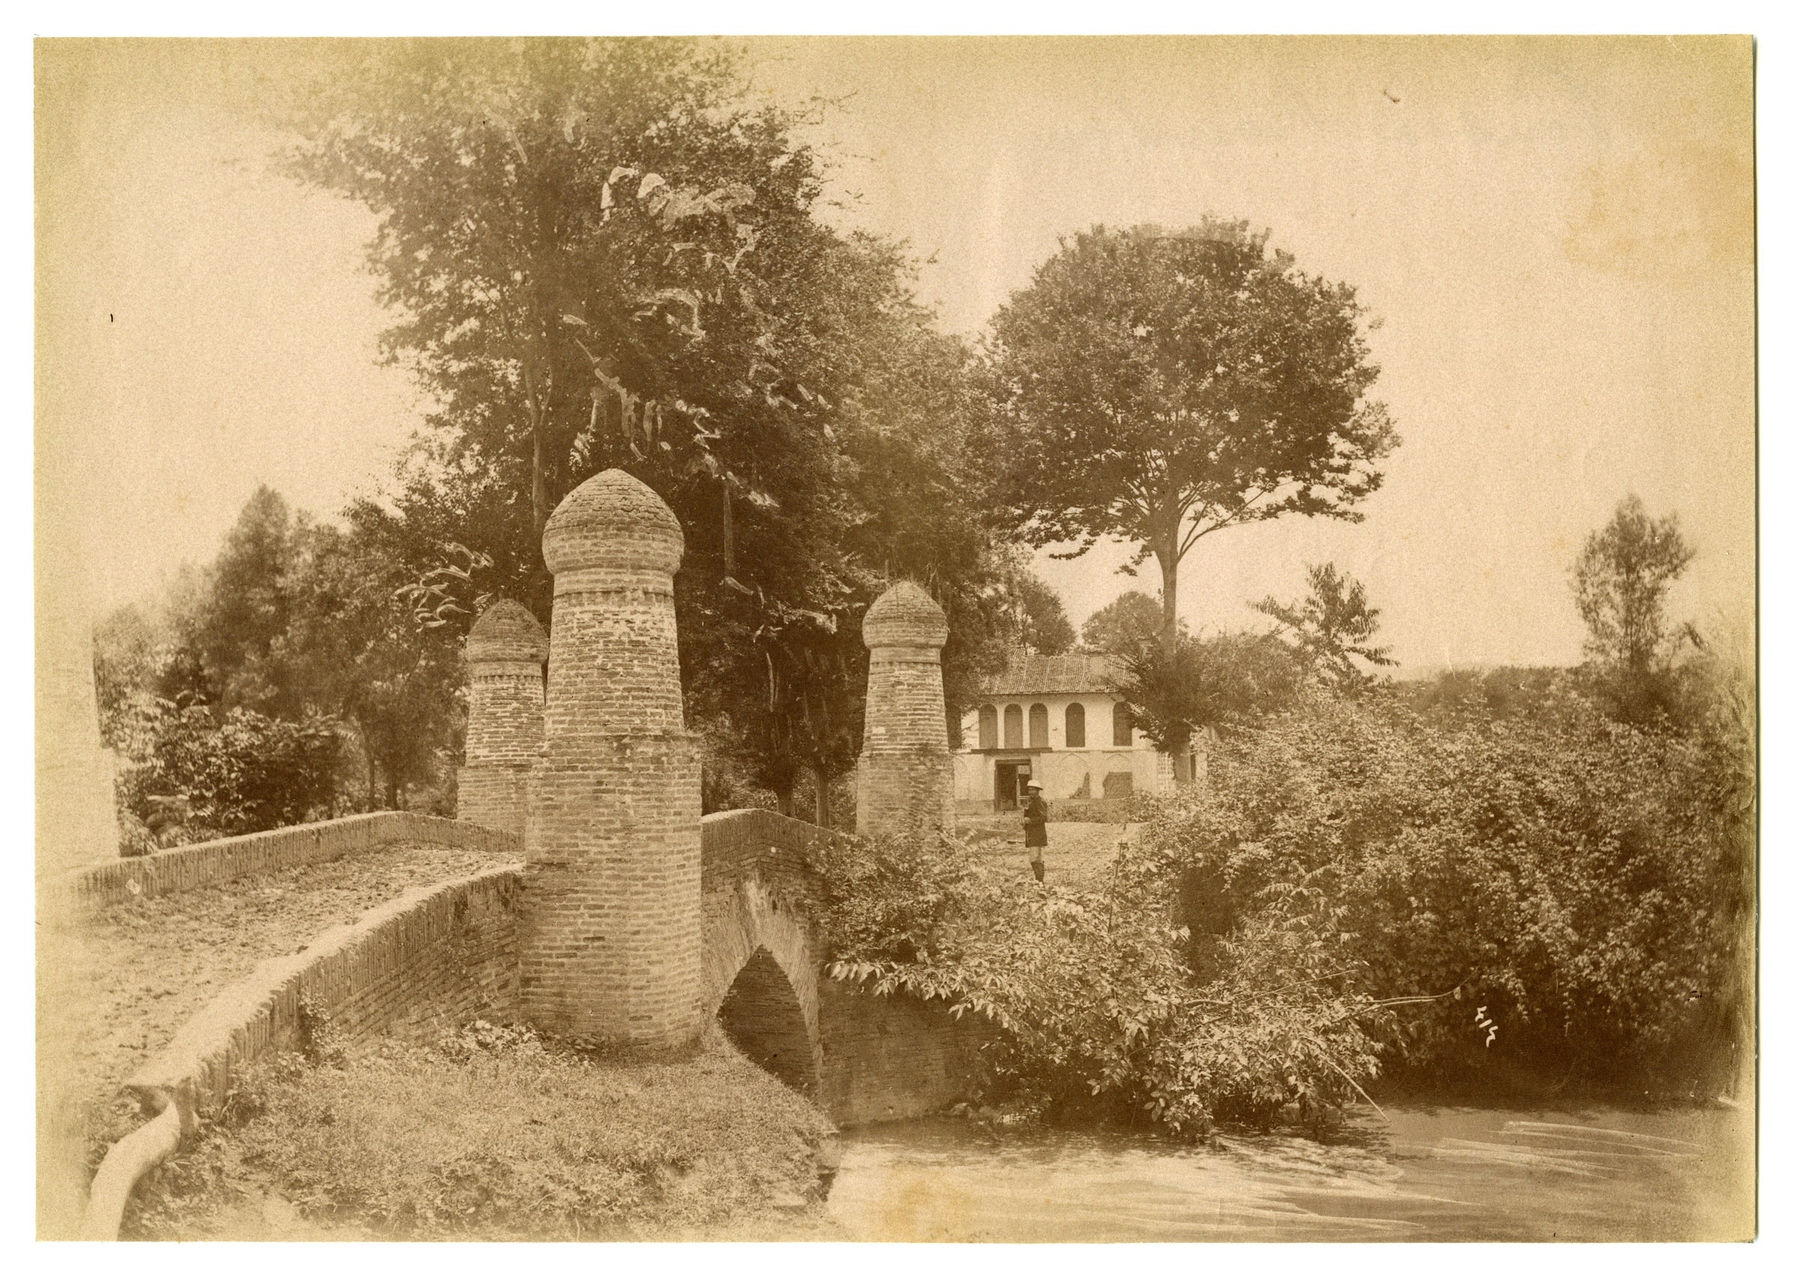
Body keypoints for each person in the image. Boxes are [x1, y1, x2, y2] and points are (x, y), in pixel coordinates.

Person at [1022, 781, 1048, 882]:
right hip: (1031, 833)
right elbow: (1027, 815)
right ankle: (1038, 881)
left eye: (1033, 789)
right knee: (1033, 858)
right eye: (1029, 789)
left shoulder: (1040, 801)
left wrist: (1031, 821)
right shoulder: (1030, 801)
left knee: (1036, 858)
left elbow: (1044, 817)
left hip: (1038, 833)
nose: (1030, 791)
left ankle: (1040, 881)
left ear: (1038, 791)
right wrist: (1024, 821)